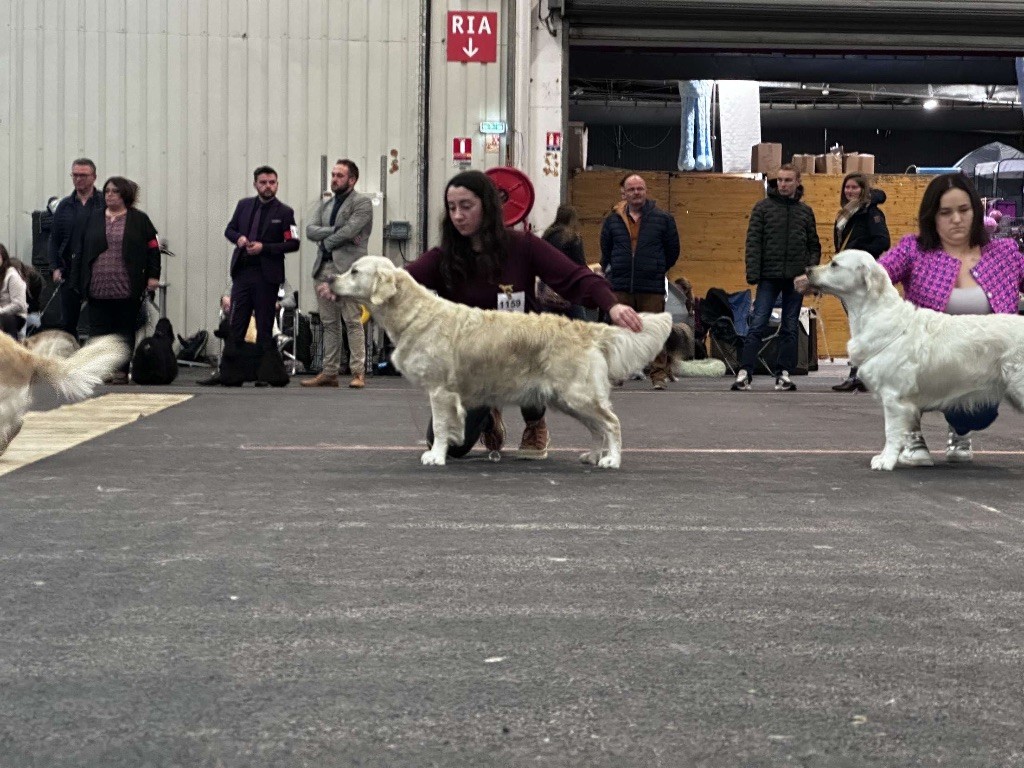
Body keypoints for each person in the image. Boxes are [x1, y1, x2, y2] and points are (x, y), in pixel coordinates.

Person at [396, 169, 643, 460]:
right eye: (452, 208)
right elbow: (398, 281)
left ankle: (535, 423)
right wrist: (351, 287)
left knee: (540, 363)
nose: (458, 216)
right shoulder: (443, 258)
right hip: (473, 366)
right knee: (454, 446)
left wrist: (611, 304)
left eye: (466, 206)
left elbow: (574, 275)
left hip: (526, 352)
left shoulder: (523, 245)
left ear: (487, 207)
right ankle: (488, 416)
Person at [877, 173, 1024, 465]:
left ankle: (961, 430)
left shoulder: (1005, 254)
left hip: (977, 366)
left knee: (979, 412)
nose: (956, 219)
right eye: (945, 212)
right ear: (932, 217)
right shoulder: (913, 251)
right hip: (925, 363)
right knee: (901, 363)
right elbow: (874, 277)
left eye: (963, 210)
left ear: (976, 211)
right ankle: (910, 434)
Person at [731, 163, 820, 392]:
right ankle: (744, 373)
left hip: (795, 279)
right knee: (758, 322)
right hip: (768, 277)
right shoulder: (762, 208)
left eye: (788, 180)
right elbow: (753, 243)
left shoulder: (805, 212)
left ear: (797, 182)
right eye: (779, 180)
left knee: (790, 326)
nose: (782, 184)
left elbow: (813, 245)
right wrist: (753, 274)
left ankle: (783, 374)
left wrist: (809, 275)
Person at [73, 176, 161, 383]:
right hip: (97, 285)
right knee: (98, 331)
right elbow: (81, 250)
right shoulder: (93, 218)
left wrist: (153, 276)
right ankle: (101, 369)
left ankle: (121, 370)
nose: (109, 195)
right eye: (107, 191)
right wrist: (77, 280)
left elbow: (153, 250)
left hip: (126, 286)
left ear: (125, 195)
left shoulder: (139, 220)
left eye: (115, 191)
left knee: (124, 330)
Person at [599, 173, 680, 389]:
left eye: (640, 189)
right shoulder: (612, 220)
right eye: (632, 189)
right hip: (620, 285)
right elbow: (605, 251)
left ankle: (659, 376)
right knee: (619, 332)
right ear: (623, 193)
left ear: (645, 191)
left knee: (655, 331)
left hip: (651, 285)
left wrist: (658, 268)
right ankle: (617, 373)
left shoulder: (663, 219)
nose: (637, 193)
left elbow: (673, 251)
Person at [303, 159, 373, 389]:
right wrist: (335, 231)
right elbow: (310, 230)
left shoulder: (362, 203)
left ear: (352, 180)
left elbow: (352, 230)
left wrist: (326, 243)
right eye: (333, 175)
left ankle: (358, 373)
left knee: (352, 321)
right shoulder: (326, 204)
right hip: (323, 269)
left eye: (339, 176)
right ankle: (329, 372)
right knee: (328, 323)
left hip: (348, 272)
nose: (334, 179)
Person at [831, 172, 891, 392]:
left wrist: (857, 258)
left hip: (860, 279)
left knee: (862, 328)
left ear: (863, 190)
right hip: (848, 279)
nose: (850, 191)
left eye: (855, 188)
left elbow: (883, 241)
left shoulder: (870, 213)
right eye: (847, 187)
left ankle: (859, 374)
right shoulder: (847, 214)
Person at [47, 158, 104, 337]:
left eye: (83, 175)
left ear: (94, 177)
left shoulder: (104, 202)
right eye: (75, 175)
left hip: (98, 269)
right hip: (69, 270)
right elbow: (54, 239)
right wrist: (55, 267)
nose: (79, 179)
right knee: (67, 322)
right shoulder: (64, 205)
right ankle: (69, 360)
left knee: (99, 322)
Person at [541, 204, 588, 320]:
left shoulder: (547, 235)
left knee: (548, 324)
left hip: (548, 285)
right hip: (568, 286)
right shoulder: (573, 237)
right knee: (580, 325)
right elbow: (580, 264)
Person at [0, 244, 28, 339]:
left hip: (14, 316)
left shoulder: (12, 275)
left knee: (6, 319)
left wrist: (1, 311)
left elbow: (19, 304)